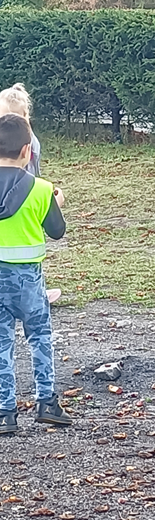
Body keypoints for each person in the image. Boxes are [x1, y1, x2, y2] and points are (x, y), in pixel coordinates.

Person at [0, 114, 72, 434]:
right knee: (39, 337)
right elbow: (57, 231)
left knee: (1, 344)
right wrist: (55, 203)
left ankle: (5, 411)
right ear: (28, 151)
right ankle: (46, 402)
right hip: (29, 279)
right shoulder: (41, 189)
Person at [0, 84, 61, 303]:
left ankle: (33, 292)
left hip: (22, 197)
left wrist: (44, 195)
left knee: (26, 251)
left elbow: (32, 173)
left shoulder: (29, 142)